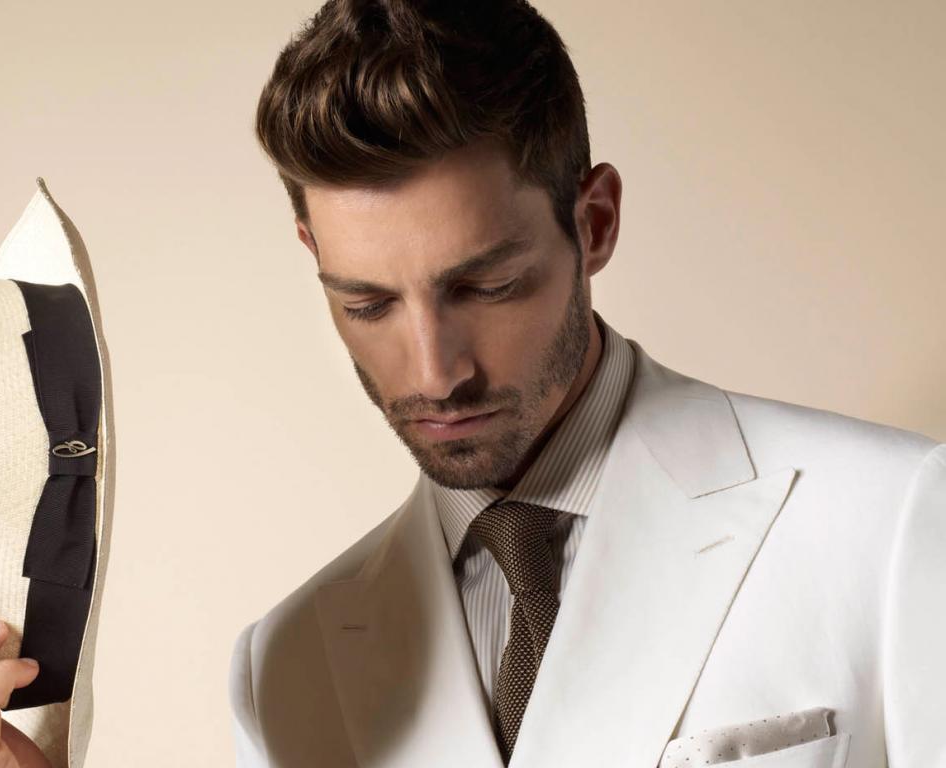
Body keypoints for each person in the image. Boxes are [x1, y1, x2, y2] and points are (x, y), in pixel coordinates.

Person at [228, 1, 945, 767]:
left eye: (488, 287)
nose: (435, 375)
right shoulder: (284, 666)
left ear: (595, 222)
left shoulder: (894, 517)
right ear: (313, 253)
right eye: (368, 305)